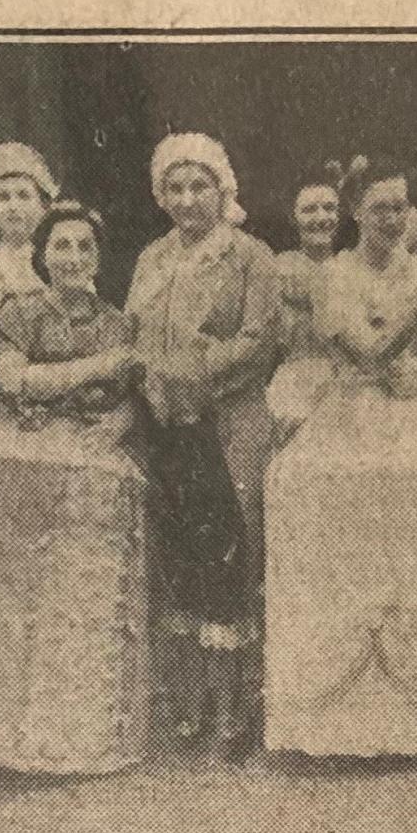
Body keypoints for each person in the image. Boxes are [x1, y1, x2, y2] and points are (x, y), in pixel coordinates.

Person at [265, 158, 417, 757]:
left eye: (400, 207)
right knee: (334, 511)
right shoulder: (336, 275)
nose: (392, 219)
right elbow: (366, 351)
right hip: (350, 410)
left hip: (410, 412)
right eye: (379, 209)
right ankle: (335, 721)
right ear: (355, 213)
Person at [0, 202, 150, 774]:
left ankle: (75, 732)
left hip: (86, 457)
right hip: (20, 450)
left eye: (84, 247)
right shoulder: (20, 312)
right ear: (42, 255)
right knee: (15, 590)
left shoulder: (117, 321)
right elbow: (14, 380)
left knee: (78, 592)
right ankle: (5, 733)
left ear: (98, 256)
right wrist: (99, 368)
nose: (72, 258)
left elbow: (128, 397)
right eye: (61, 247)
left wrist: (118, 420)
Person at [127, 133, 280, 756]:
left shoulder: (249, 256)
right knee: (179, 554)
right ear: (162, 195)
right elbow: (133, 330)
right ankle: (188, 698)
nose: (189, 200)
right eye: (176, 188)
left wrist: (187, 370)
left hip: (226, 421)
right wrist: (147, 376)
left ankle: (234, 707)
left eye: (201, 186)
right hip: (165, 423)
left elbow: (257, 341)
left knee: (231, 553)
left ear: (223, 190)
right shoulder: (151, 258)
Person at [265, 166, 350, 437]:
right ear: (293, 217)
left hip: (346, 387)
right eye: (309, 209)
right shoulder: (278, 269)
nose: (321, 217)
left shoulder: (352, 268)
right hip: (293, 384)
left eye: (329, 208)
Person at [0, 142, 57, 322]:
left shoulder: (60, 261)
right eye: (3, 197)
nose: (13, 207)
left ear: (43, 205)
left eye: (23, 196)